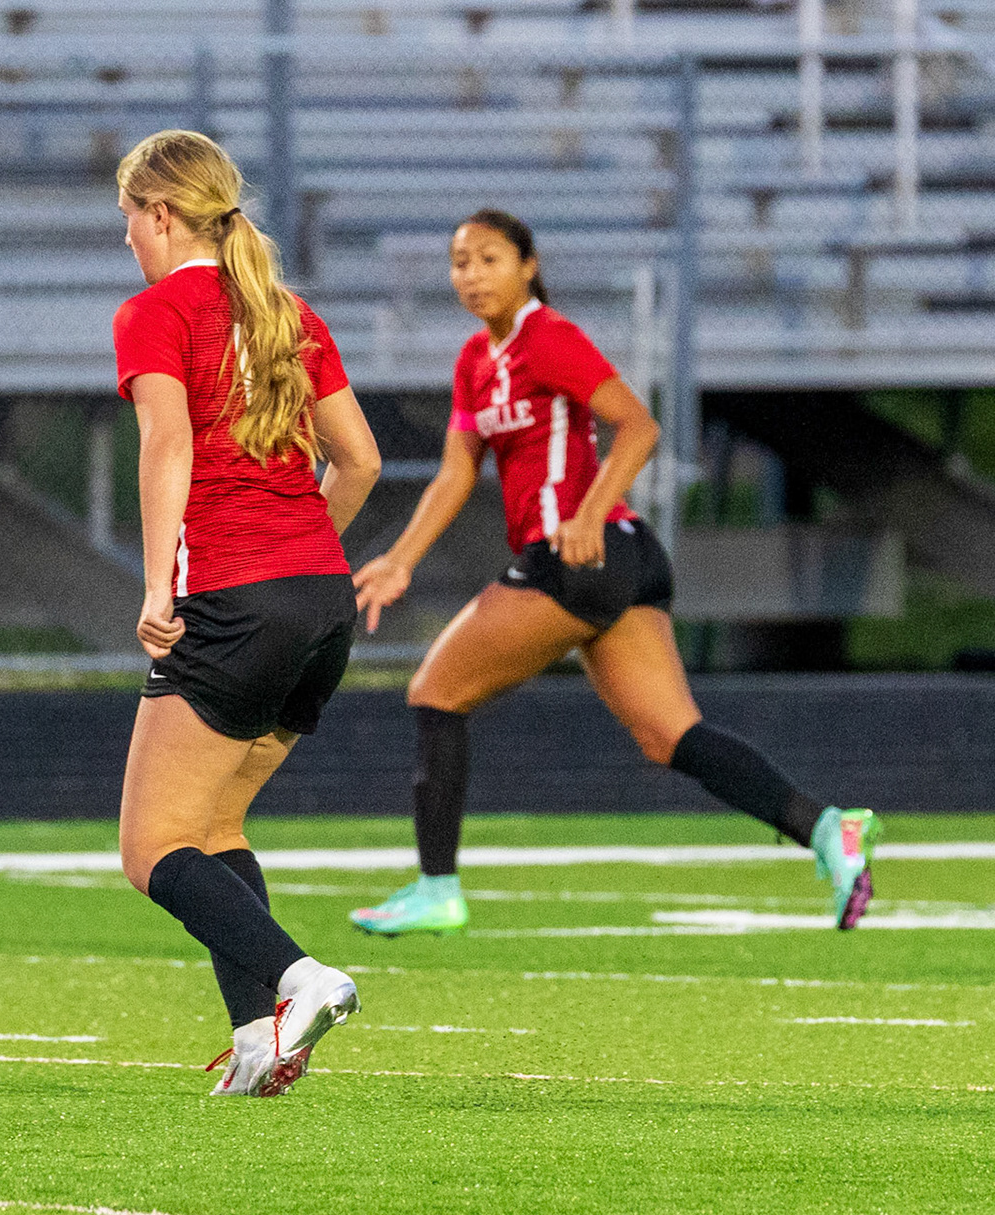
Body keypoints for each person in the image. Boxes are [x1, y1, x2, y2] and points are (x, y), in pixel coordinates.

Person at [347, 209, 880, 938]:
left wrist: (590, 512)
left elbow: (639, 425)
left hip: (579, 557)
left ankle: (437, 889)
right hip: (618, 562)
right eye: (460, 262)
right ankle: (825, 828)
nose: (471, 275)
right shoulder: (475, 360)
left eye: (489, 259)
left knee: (436, 692)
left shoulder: (548, 338)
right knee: (670, 736)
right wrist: (400, 560)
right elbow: (455, 473)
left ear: (528, 266)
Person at [111, 130, 383, 1098]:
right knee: (216, 820)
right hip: (322, 602)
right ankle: (261, 1038)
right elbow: (360, 460)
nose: (128, 240)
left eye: (128, 219)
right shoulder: (287, 311)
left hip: (230, 603)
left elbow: (166, 445)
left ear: (159, 213)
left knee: (150, 848)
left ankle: (302, 979)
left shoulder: (153, 312)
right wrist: (298, 565)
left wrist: (158, 587)